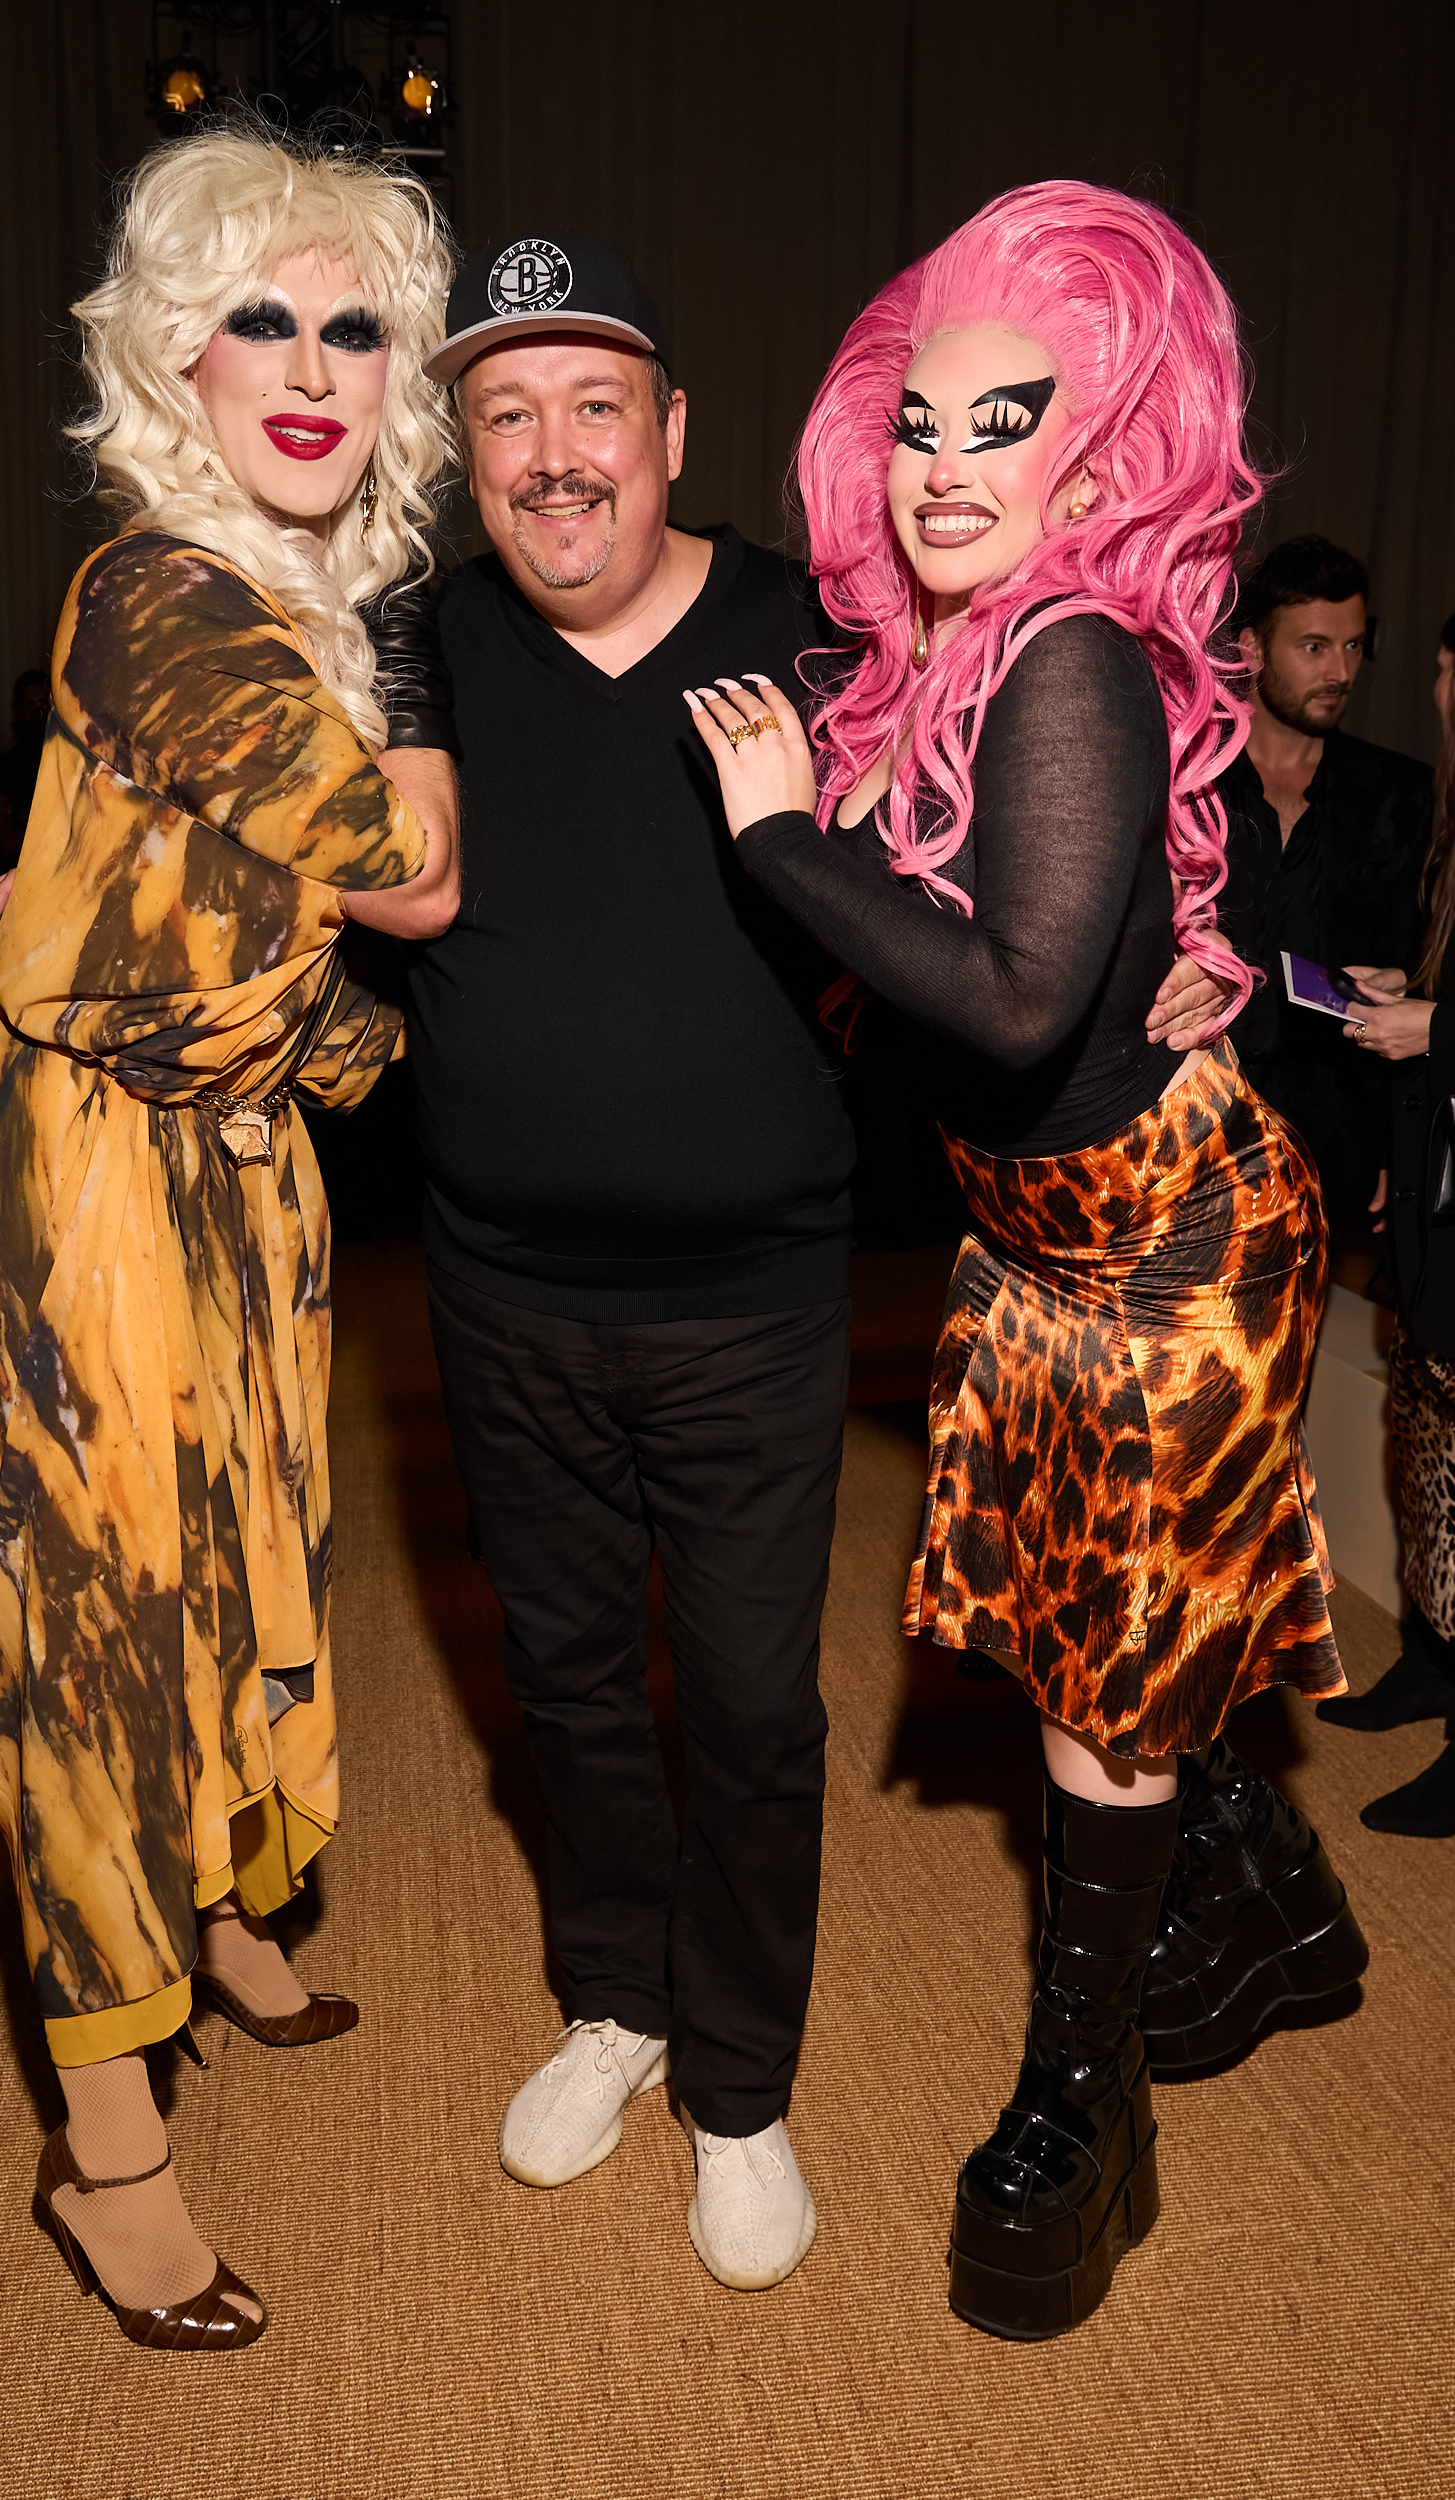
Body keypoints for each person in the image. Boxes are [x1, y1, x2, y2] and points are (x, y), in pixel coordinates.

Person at [405, 225, 1229, 2294]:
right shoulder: (413, 645)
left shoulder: (828, 635)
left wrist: (1199, 963)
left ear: (673, 431)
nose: (553, 452)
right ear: (463, 453)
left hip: (752, 1299)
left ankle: (738, 2082)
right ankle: (616, 1995)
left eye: (594, 404)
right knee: (570, 1684)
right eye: (504, 414)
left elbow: (1056, 832)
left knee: (757, 1707)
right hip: (495, 1288)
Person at [690, 179, 1368, 2340]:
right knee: (1091, 1648)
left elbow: (994, 1001)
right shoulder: (936, 657)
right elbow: (1083, 927)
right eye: (918, 418)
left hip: (1172, 1248)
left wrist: (778, 838)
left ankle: (1081, 2107)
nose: (943, 463)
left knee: (1100, 1689)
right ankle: (1255, 1895)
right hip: (1036, 1241)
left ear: (1095, 452)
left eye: (1003, 422)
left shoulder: (1060, 648)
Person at [0, 127, 460, 2351]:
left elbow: (298, 968)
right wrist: (421, 709)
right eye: (265, 316)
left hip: (232, 1163)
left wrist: (328, 1039)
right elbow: (399, 870)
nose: (315, 364)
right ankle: (106, 2146)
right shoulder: (165, 590)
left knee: (251, 1556)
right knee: (89, 1629)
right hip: (85, 1189)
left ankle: (224, 1912)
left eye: (355, 325)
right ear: (173, 350)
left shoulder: (281, 603)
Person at [1319, 608, 1455, 1834]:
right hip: (1436, 1180)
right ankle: (1433, 1658)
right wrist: (1411, 1002)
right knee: (1425, 1432)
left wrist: (1437, 1032)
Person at [1218, 537, 1432, 1246]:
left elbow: (1419, 983)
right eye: (1313, 647)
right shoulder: (1180, 781)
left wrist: (1395, 1145)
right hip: (1187, 1123)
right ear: (1248, 649)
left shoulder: (1402, 796)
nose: (1340, 671)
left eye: (1351, 647)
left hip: (1330, 1142)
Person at [0, 668, 51, 882]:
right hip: (19, 882)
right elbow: (9, 843)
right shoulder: (0, 769)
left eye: (45, 703)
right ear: (16, 709)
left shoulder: (78, 766)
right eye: (29, 704)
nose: (39, 712)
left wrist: (21, 815)